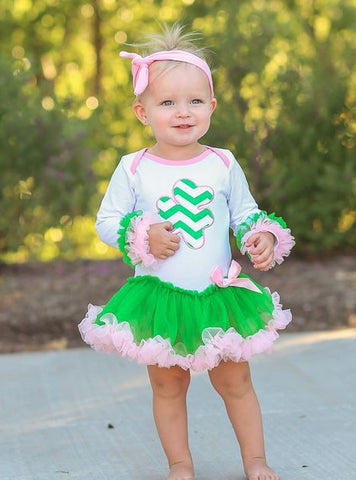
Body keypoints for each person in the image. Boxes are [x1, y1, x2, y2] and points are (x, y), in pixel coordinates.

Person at [79, 24, 295, 480]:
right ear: (143, 111)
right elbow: (105, 222)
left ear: (212, 107)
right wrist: (142, 234)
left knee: (235, 382)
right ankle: (180, 465)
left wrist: (263, 236)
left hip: (219, 295)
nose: (183, 112)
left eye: (195, 101)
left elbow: (245, 214)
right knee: (167, 383)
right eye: (167, 103)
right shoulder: (133, 168)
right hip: (160, 297)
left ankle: (255, 461)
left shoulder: (222, 163)